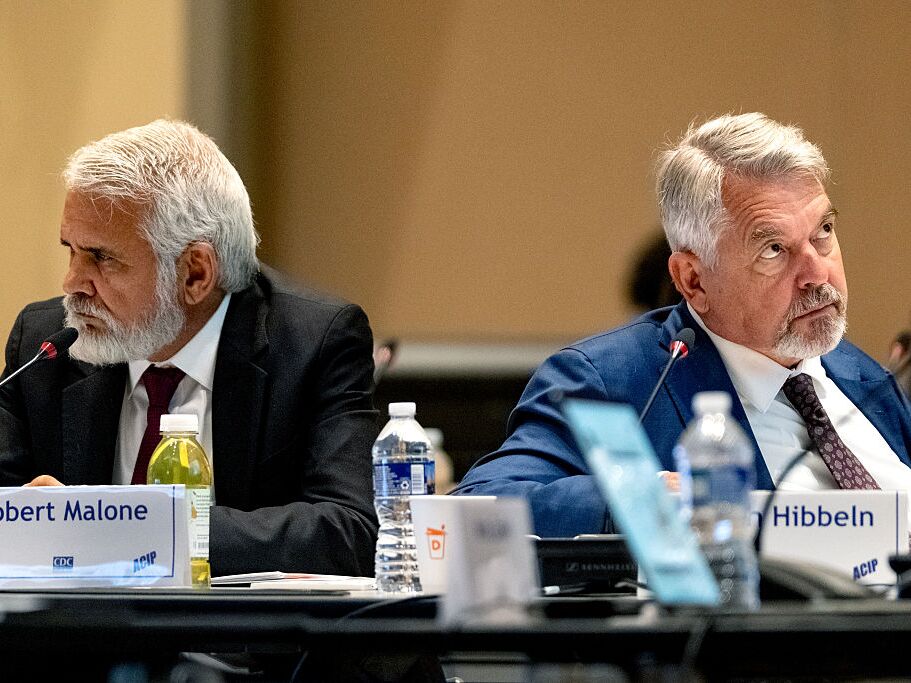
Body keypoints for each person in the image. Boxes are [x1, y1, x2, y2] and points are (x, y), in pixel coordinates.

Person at [454, 112, 911, 537]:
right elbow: (477, 507)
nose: (817, 273)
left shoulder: (862, 378)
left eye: (823, 233)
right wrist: (639, 500)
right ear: (692, 280)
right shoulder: (615, 380)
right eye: (773, 249)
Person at [0, 120, 379, 577]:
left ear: (195, 274)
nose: (72, 283)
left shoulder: (313, 343)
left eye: (101, 257)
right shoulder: (46, 346)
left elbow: (348, 530)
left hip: (237, 642)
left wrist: (133, 528)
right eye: (71, 251)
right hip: (79, 643)